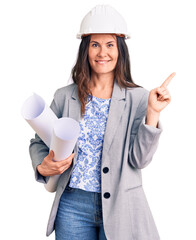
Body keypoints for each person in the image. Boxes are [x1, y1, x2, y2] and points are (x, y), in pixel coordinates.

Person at [29, 5, 175, 240]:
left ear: (120, 50)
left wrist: (153, 113)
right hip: (72, 206)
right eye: (95, 45)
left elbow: (140, 160)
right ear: (86, 49)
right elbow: (39, 142)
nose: (102, 53)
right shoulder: (65, 96)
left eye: (110, 45)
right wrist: (42, 166)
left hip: (120, 204)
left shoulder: (139, 98)